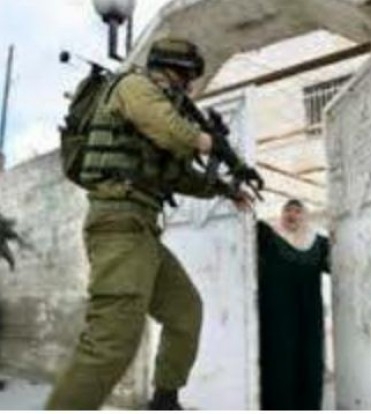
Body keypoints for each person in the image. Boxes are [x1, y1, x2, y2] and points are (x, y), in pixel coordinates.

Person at [46, 37, 257, 410]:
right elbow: (169, 129)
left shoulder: (162, 116)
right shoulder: (134, 86)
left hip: (142, 231)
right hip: (119, 225)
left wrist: (226, 188)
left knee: (185, 313)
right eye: (187, 78)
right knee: (111, 343)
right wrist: (209, 142)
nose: (189, 88)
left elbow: (178, 177)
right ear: (174, 70)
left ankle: (164, 401)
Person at [257, 199, 330, 409]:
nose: (292, 214)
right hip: (276, 319)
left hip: (309, 318)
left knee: (310, 362)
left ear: (305, 216)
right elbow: (246, 228)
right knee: (279, 364)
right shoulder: (269, 239)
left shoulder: (318, 245)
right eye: (288, 210)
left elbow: (340, 266)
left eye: (298, 211)